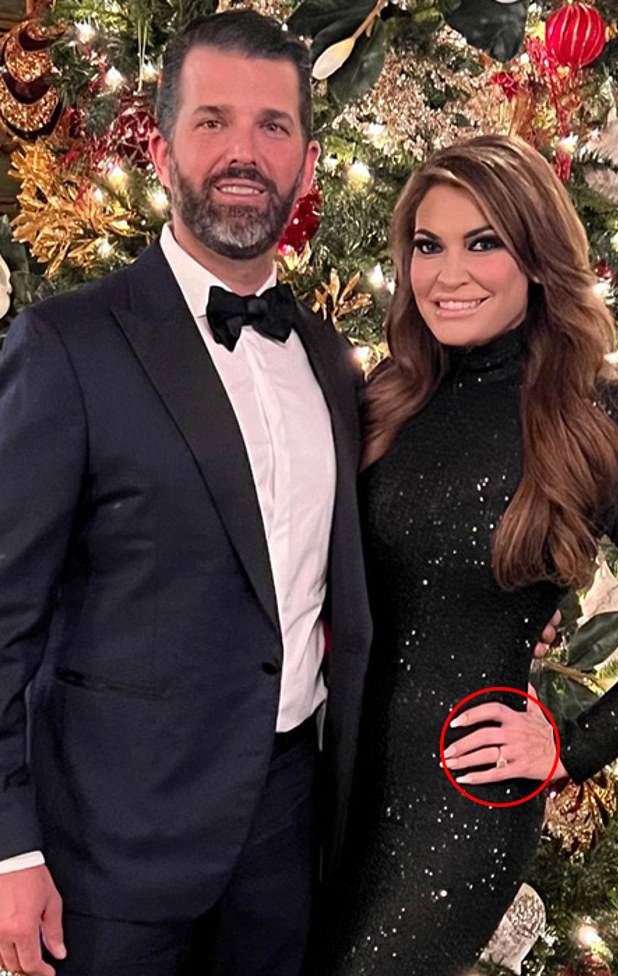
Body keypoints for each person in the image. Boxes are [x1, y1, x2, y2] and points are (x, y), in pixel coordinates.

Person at [0, 11, 373, 976]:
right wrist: (9, 846)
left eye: (272, 125)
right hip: (105, 851)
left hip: (286, 835)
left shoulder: (331, 360)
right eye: (213, 121)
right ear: (162, 149)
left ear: (307, 162)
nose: (243, 152)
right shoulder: (66, 346)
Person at [317, 134, 618, 976]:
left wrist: (572, 746)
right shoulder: (387, 397)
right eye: (428, 245)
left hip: (459, 812)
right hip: (324, 785)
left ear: (537, 256)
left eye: (483, 242)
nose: (447, 274)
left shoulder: (594, 417)